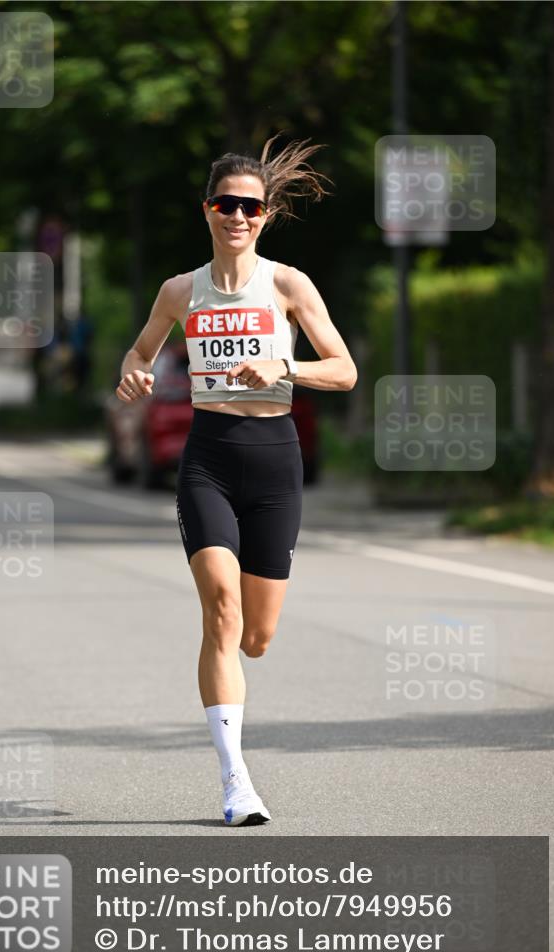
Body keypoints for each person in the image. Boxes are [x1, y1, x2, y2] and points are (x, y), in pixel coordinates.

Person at [116, 135, 357, 826]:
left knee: (256, 637)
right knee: (219, 609)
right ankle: (235, 783)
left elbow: (343, 370)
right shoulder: (178, 291)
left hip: (275, 460)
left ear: (265, 215)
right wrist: (133, 371)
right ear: (207, 210)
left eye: (250, 207)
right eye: (226, 204)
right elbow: (139, 352)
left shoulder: (286, 285)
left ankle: (239, 722)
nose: (238, 216)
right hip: (209, 458)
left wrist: (282, 369)